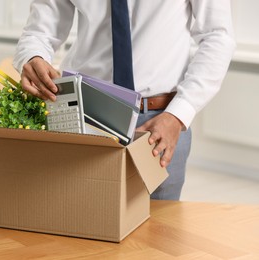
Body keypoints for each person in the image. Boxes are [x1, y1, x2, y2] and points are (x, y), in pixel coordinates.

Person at [13, 0, 236, 200]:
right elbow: (39, 33)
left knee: (160, 234)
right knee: (80, 222)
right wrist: (33, 56)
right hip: (86, 113)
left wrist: (178, 114)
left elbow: (218, 36)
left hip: (160, 120)